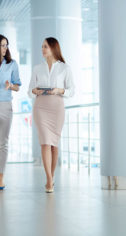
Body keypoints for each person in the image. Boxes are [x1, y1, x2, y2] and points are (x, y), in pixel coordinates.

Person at [28, 37, 74, 193]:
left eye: (45, 46)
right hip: (41, 106)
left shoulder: (64, 68)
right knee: (45, 143)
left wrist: (59, 90)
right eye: (42, 46)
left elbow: (71, 90)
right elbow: (30, 90)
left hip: (57, 107)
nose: (42, 49)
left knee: (54, 144)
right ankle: (48, 179)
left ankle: (51, 177)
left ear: (53, 48)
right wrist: (35, 91)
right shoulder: (37, 68)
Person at [0, 34, 21, 190]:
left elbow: (17, 86)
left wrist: (10, 86)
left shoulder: (11, 64)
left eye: (6, 45)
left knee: (3, 144)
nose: (5, 48)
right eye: (2, 45)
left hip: (6, 105)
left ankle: (0, 177)